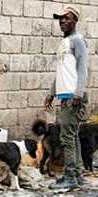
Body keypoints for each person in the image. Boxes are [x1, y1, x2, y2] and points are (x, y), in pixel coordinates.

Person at [44, 6, 89, 189]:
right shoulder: (65, 42)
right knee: (72, 136)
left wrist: (79, 93)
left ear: (75, 21)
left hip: (73, 96)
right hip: (65, 95)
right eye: (60, 18)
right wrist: (51, 93)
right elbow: (62, 72)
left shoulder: (77, 41)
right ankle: (77, 175)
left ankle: (71, 176)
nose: (62, 21)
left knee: (67, 138)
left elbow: (83, 68)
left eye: (67, 18)